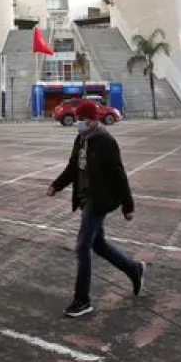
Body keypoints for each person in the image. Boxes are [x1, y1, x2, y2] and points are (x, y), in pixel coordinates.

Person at [46, 99, 145, 318]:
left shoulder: (105, 141)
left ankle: (82, 301)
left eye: (81, 120)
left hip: (98, 201)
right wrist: (56, 185)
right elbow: (73, 167)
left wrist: (128, 206)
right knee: (98, 245)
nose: (78, 123)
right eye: (77, 119)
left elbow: (119, 175)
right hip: (84, 198)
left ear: (92, 120)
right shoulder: (81, 138)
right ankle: (134, 269)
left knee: (83, 247)